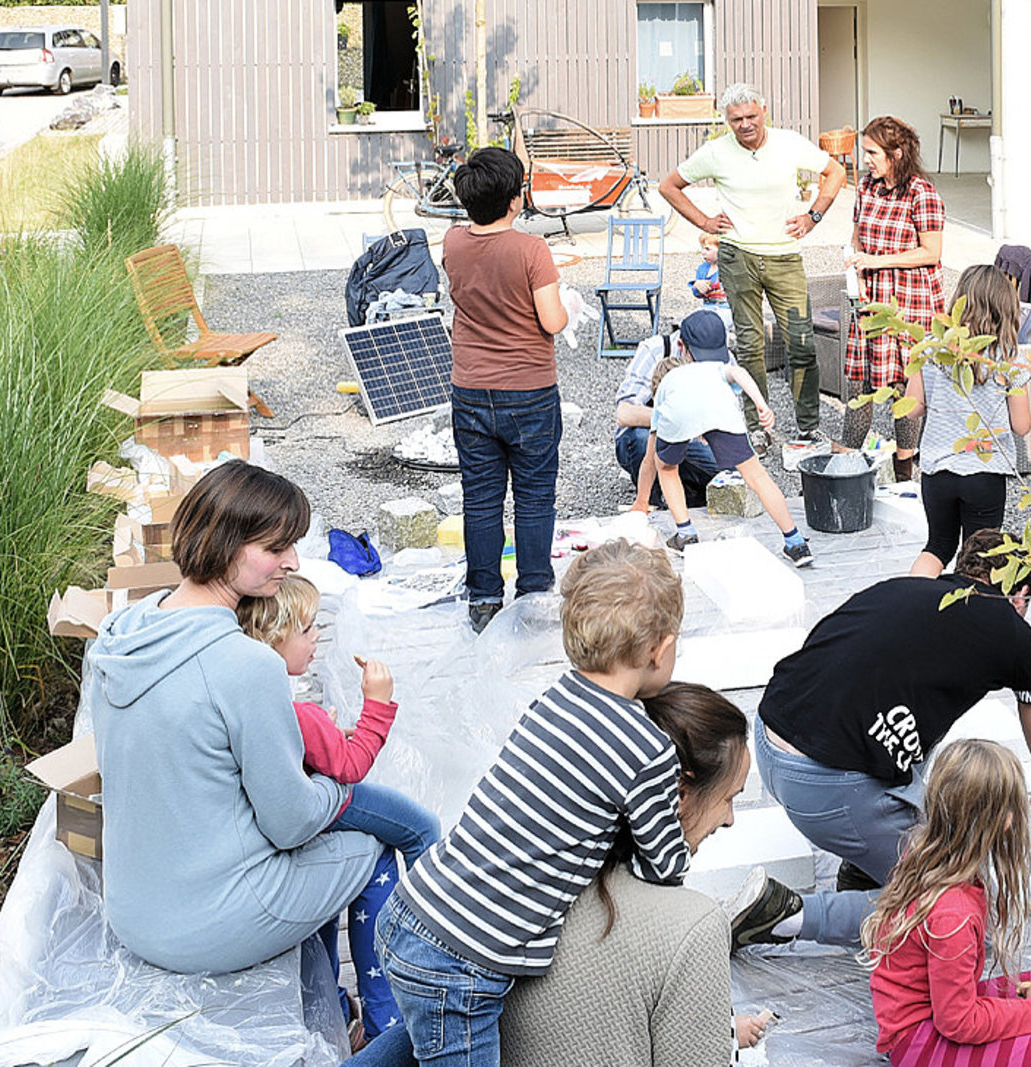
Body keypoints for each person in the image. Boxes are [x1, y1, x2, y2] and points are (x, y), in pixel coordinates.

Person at [88, 461, 408, 1067]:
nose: (292, 562)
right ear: (228, 546)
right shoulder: (246, 666)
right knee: (368, 852)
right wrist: (333, 792)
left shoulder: (121, 631)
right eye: (277, 547)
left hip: (133, 909)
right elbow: (289, 823)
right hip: (208, 924)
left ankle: (331, 1004)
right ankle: (385, 1027)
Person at [729, 528, 1031, 950]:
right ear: (1022, 593)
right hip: (829, 788)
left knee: (907, 730)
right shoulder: (1019, 640)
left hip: (767, 741)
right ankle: (786, 916)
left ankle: (866, 867)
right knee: (958, 910)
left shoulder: (902, 589)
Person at [376, 539, 691, 1066]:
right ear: (660, 649)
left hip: (416, 911)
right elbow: (665, 866)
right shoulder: (647, 748)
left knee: (416, 1044)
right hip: (463, 961)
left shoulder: (556, 698)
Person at [501, 683, 775, 1066]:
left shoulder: (529, 878)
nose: (729, 819)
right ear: (679, 794)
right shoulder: (693, 926)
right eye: (728, 799)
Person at [237, 574, 442, 1048]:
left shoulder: (266, 701)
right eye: (308, 630)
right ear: (274, 636)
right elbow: (351, 767)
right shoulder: (301, 714)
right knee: (421, 829)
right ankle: (427, 954)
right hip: (332, 800)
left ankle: (334, 1006)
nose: (317, 639)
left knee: (326, 910)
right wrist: (377, 706)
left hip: (303, 807)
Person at [865, 739, 1031, 1067]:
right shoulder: (954, 915)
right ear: (1006, 821)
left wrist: (1027, 1023)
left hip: (948, 1007)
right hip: (922, 1043)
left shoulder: (927, 851)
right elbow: (957, 1022)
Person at [659, 83, 846, 445]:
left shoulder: (789, 142)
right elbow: (669, 186)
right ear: (727, 121)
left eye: (750, 116)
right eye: (736, 120)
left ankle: (807, 426)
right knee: (749, 346)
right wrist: (704, 222)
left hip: (783, 256)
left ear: (764, 110)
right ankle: (757, 429)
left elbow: (835, 172)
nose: (745, 125)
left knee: (802, 342)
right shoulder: (715, 152)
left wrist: (814, 215)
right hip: (737, 256)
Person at [442, 146, 571, 634]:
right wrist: (569, 304)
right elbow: (552, 320)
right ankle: (533, 593)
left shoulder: (453, 241)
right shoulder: (532, 250)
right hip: (530, 390)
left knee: (480, 498)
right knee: (534, 498)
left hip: (471, 389)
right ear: (516, 199)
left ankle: (483, 597)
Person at [630, 309, 815, 567]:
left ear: (682, 346)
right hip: (722, 410)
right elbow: (740, 375)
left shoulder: (669, 383)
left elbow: (650, 460)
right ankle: (796, 543)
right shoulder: (721, 367)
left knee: (667, 468)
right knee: (757, 476)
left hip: (676, 413)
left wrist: (641, 501)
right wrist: (762, 405)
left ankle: (685, 534)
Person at [906, 264, 1031, 577]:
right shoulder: (1010, 358)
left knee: (938, 545)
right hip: (985, 473)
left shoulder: (932, 351)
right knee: (980, 557)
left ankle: (912, 605)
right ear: (1006, 307)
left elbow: (911, 409)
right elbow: (1022, 425)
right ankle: (967, 620)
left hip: (937, 470)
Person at [840, 115, 947, 479]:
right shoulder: (867, 187)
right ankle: (846, 462)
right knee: (859, 379)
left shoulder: (921, 192)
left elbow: (931, 252)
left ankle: (904, 467)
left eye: (872, 152)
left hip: (909, 302)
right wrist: (856, 263)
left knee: (905, 384)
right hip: (870, 299)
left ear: (896, 153)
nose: (865, 158)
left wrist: (877, 261)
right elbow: (856, 234)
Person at [614, 321, 725, 510]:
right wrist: (674, 419)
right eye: (699, 358)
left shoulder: (721, 356)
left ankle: (690, 492)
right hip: (650, 434)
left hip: (694, 439)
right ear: (682, 347)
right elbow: (625, 413)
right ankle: (652, 501)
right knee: (644, 442)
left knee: (728, 472)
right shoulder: (655, 349)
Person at [692, 233, 727, 306]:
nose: (703, 252)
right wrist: (697, 287)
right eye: (702, 248)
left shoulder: (728, 269)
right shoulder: (702, 269)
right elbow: (697, 294)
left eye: (708, 249)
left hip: (726, 308)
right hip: (708, 307)